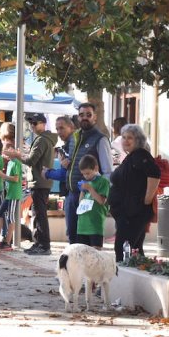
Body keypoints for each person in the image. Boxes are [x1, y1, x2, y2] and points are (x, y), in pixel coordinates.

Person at [107, 124, 160, 261]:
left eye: (130, 138)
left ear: (138, 140)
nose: (126, 141)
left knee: (122, 247)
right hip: (127, 212)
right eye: (123, 137)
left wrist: (147, 199)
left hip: (134, 212)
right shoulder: (131, 156)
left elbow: (154, 173)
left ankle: (122, 279)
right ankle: (138, 277)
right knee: (134, 249)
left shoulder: (141, 155)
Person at [63, 103, 113, 245]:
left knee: (89, 238)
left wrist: (101, 194)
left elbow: (107, 170)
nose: (84, 118)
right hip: (73, 193)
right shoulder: (74, 137)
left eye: (88, 115)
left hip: (92, 197)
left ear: (95, 117)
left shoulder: (101, 139)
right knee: (73, 235)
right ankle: (73, 266)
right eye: (81, 115)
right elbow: (73, 162)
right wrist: (66, 163)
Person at [22, 113, 56, 255]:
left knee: (39, 215)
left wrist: (18, 156)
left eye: (35, 123)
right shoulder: (44, 139)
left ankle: (43, 245)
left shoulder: (42, 140)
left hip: (40, 182)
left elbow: (31, 161)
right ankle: (39, 243)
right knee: (38, 214)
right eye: (31, 124)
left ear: (43, 123)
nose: (33, 126)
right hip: (41, 182)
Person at [75, 155, 110, 249]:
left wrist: (90, 189)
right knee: (82, 254)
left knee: (95, 254)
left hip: (95, 225)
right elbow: (80, 203)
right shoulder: (87, 183)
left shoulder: (103, 181)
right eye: (83, 174)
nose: (86, 176)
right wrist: (82, 190)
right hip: (82, 226)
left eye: (88, 173)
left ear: (96, 168)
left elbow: (101, 201)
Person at [0, 139, 22, 252]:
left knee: (10, 217)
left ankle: (8, 242)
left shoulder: (16, 162)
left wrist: (2, 175)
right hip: (9, 194)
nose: (5, 152)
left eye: (8, 149)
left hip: (14, 194)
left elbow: (16, 179)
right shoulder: (10, 163)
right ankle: (0, 238)